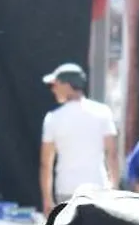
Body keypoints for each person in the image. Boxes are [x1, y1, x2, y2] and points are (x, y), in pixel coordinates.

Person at [38, 62, 118, 214]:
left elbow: (46, 163)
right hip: (97, 188)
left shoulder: (53, 118)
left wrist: (47, 200)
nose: (53, 89)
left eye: (55, 85)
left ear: (67, 85)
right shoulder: (103, 113)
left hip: (66, 189)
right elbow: (112, 154)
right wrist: (113, 187)